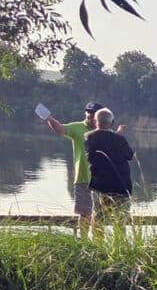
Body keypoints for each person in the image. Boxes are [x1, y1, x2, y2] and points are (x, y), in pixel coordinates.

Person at [42, 101, 122, 236]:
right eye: (88, 114)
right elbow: (60, 129)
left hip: (101, 181)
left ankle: (98, 245)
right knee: (84, 214)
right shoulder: (77, 128)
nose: (90, 117)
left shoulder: (106, 132)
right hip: (83, 179)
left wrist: (119, 132)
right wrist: (49, 118)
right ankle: (84, 242)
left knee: (99, 216)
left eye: (93, 115)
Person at [84, 108, 134, 235]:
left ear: (96, 121)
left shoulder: (89, 137)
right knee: (120, 220)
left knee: (98, 217)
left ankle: (98, 246)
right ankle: (119, 246)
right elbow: (131, 156)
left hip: (99, 185)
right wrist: (118, 135)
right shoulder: (119, 139)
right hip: (121, 186)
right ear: (111, 122)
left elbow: (92, 154)